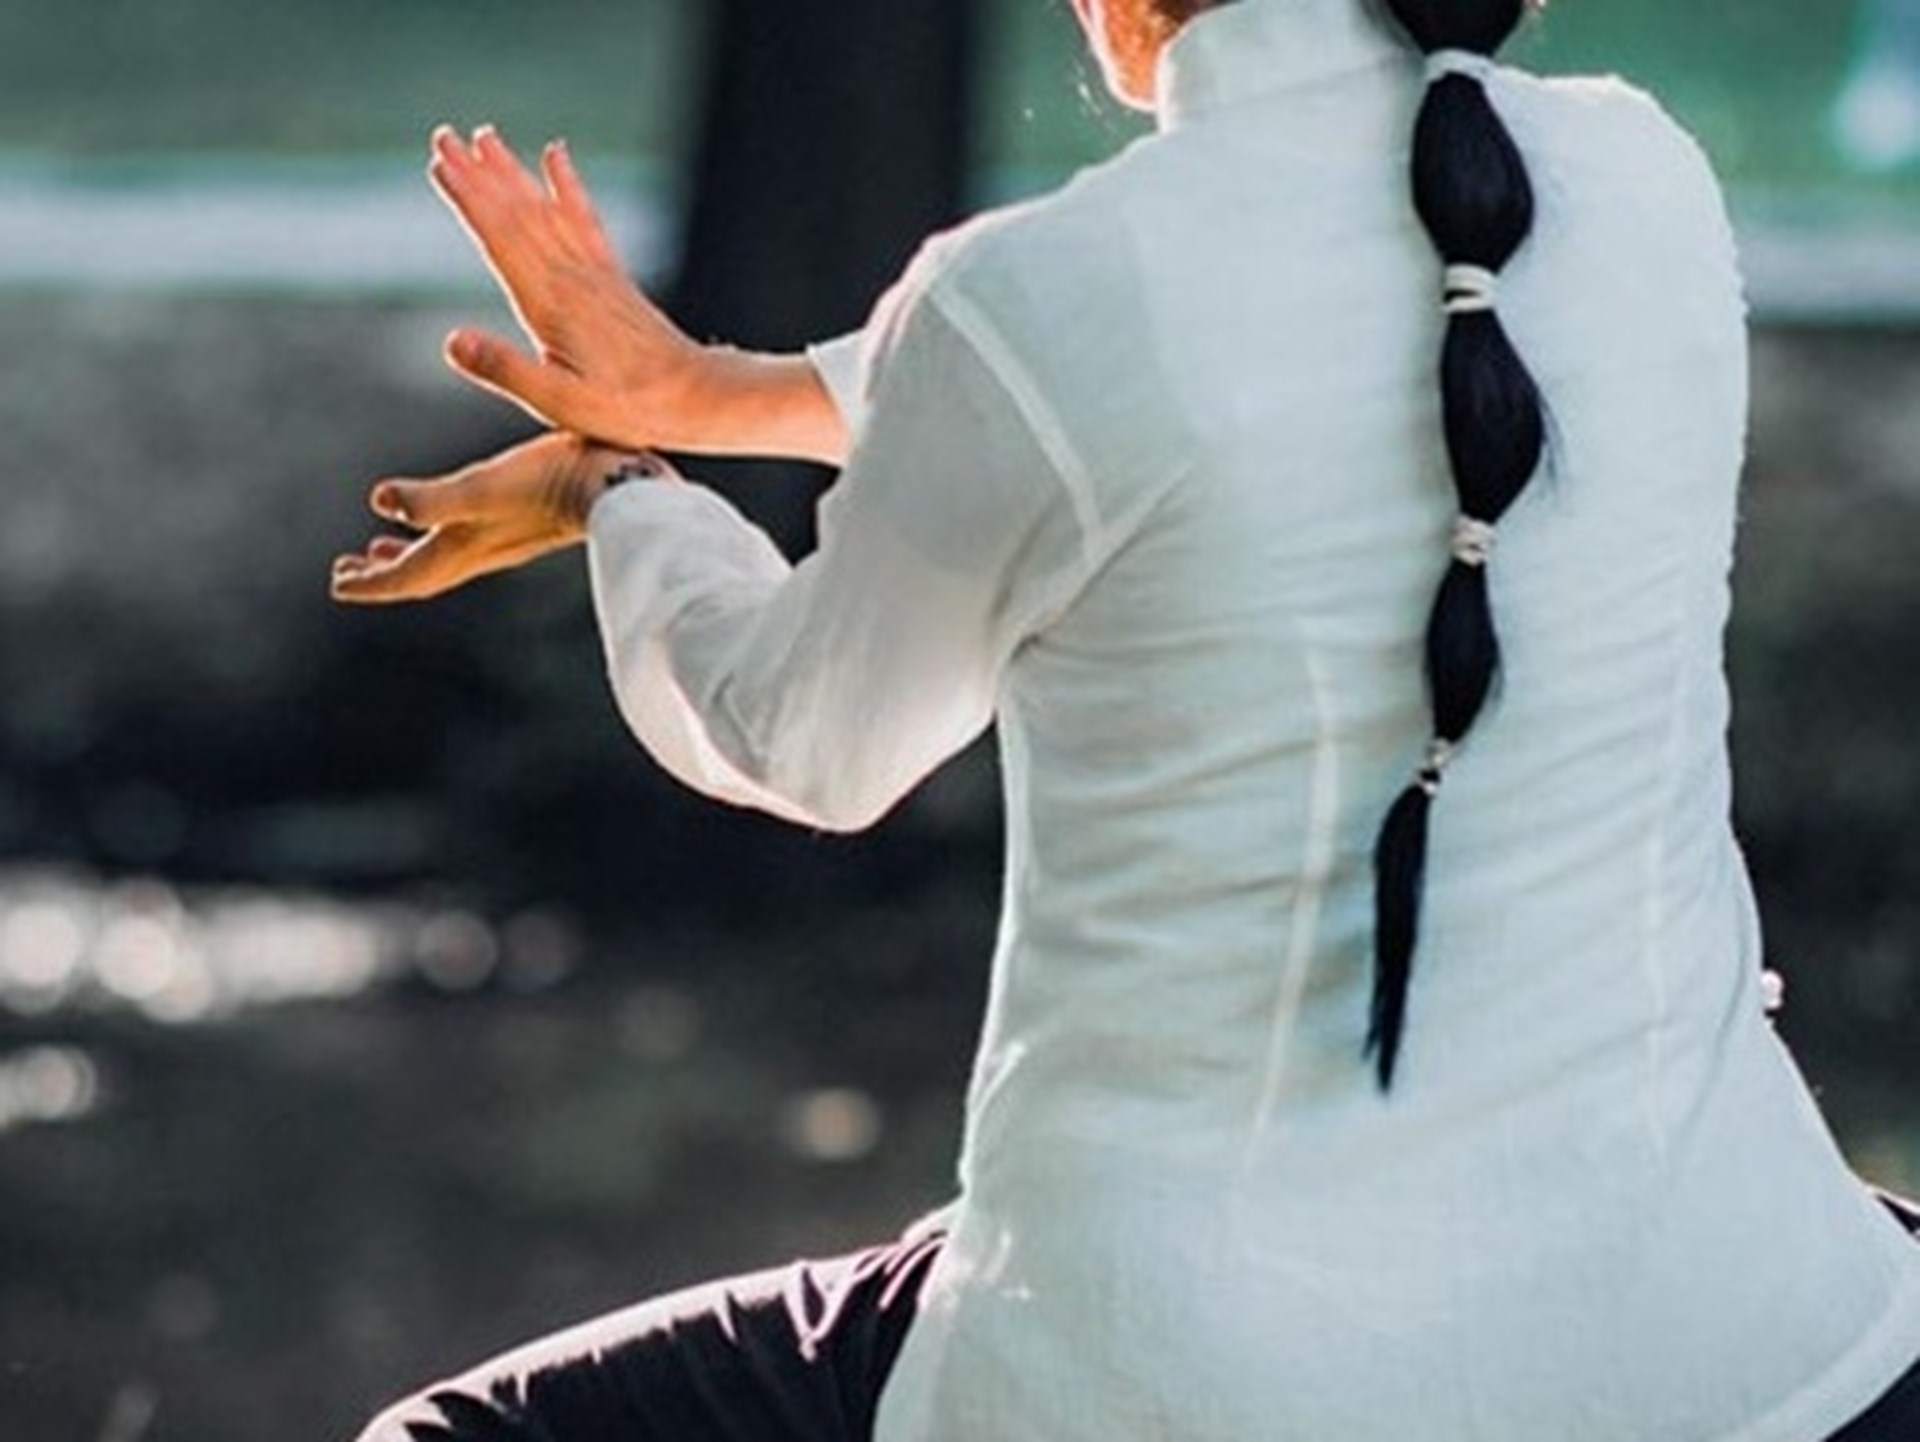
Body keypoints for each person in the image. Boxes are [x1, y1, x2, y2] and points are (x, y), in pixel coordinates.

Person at [332, 0, 1920, 1437]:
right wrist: (708, 392)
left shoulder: (1047, 299)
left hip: (1189, 1375)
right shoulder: (1645, 182)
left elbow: (799, 736)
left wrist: (619, 493)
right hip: (1753, 1334)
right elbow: (1185, 378)